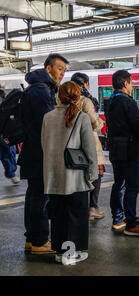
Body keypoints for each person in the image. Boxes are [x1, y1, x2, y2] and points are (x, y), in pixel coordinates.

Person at [42, 81, 98, 264]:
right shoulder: (81, 117)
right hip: (75, 177)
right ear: (78, 96)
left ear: (59, 95)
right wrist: (93, 172)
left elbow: (44, 145)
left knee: (58, 217)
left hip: (53, 177)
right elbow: (89, 149)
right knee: (76, 216)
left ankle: (59, 252)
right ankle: (71, 255)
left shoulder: (47, 117)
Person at [19, 53, 68, 255]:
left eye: (64, 70)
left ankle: (32, 239)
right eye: (59, 69)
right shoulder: (41, 91)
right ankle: (40, 241)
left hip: (32, 151)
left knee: (34, 195)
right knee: (41, 197)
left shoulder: (37, 88)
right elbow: (49, 123)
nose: (62, 74)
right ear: (48, 69)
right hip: (39, 152)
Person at [105, 70, 139, 236]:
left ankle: (118, 219)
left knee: (119, 183)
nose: (132, 87)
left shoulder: (109, 101)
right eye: (131, 83)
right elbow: (138, 125)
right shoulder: (128, 101)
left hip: (115, 148)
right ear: (125, 83)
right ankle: (132, 223)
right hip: (130, 148)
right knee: (132, 186)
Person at [71, 72, 106, 220]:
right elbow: (94, 123)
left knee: (76, 176)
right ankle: (92, 207)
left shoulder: (62, 98)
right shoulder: (86, 100)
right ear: (85, 84)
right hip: (89, 142)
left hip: (71, 143)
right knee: (96, 174)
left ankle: (79, 209)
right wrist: (101, 123)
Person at [0, 89, 20, 185]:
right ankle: (10, 173)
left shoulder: (3, 95)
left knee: (8, 151)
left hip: (4, 132)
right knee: (7, 152)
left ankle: (11, 173)